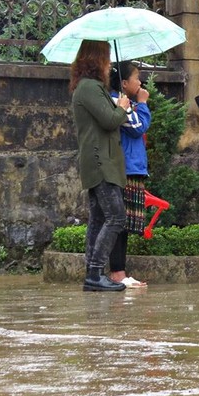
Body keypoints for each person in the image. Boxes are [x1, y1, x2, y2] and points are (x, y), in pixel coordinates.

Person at [70, 39, 130, 292]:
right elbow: (109, 120)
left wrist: (116, 107)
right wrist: (122, 108)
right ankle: (95, 272)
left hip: (100, 160)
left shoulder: (89, 87)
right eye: (107, 58)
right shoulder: (90, 87)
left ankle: (92, 273)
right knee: (116, 217)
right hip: (100, 161)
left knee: (98, 219)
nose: (110, 64)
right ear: (97, 59)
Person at [108, 62, 151, 288]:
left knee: (125, 223)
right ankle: (117, 273)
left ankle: (120, 271)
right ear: (124, 83)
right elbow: (138, 126)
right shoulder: (116, 101)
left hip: (133, 167)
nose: (140, 82)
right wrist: (142, 104)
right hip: (124, 168)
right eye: (136, 78)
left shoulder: (127, 103)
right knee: (119, 222)